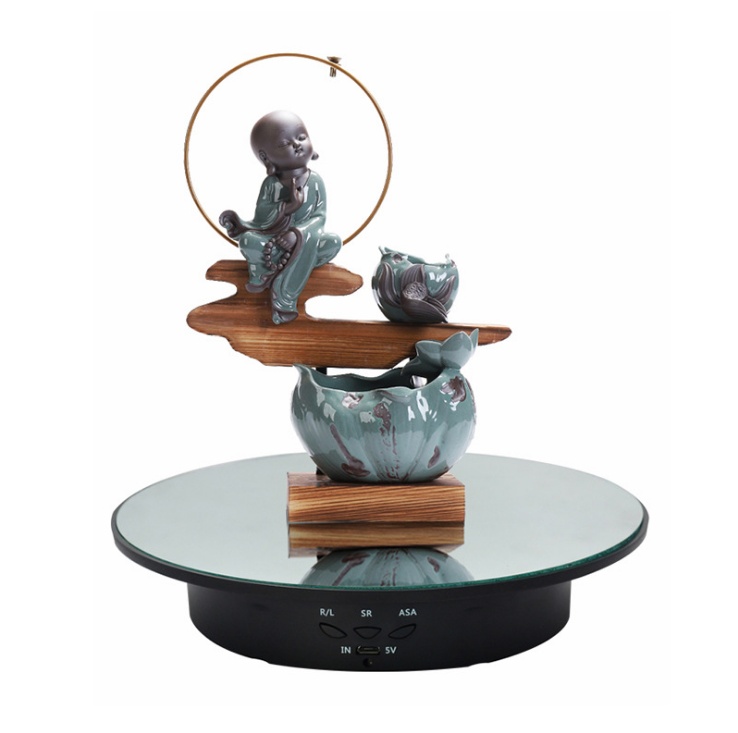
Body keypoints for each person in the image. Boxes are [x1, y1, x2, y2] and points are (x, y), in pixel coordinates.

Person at [219, 111, 342, 324]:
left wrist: (297, 234)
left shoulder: (315, 181)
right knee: (248, 241)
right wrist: (288, 207)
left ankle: (276, 281)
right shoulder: (271, 184)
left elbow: (319, 218)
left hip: (304, 241)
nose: (297, 144)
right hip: (272, 241)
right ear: (266, 158)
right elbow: (261, 217)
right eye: (285, 143)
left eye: (301, 137)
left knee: (333, 242)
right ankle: (277, 267)